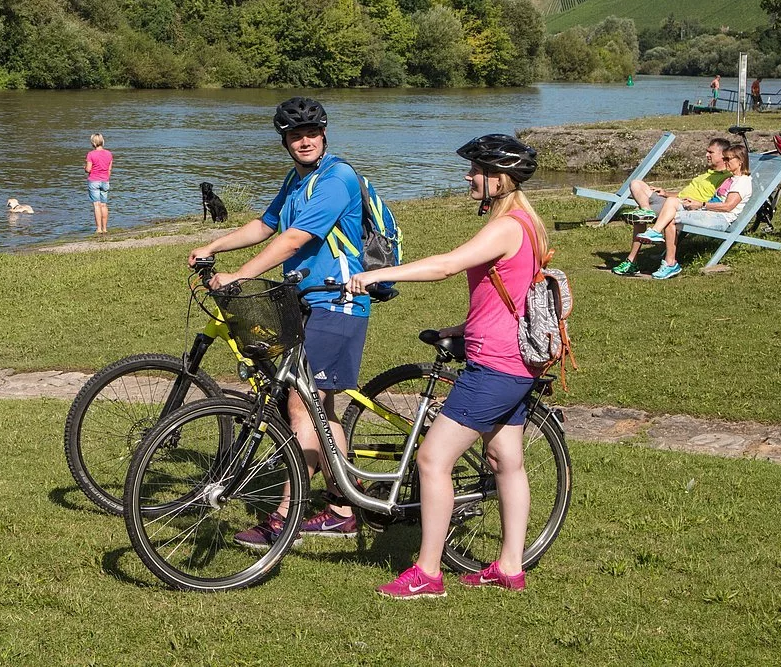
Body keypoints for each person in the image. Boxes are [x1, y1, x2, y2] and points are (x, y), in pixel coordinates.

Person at [346, 134, 545, 597]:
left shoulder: (506, 226)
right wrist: (462, 329)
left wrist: (377, 273)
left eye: (476, 170)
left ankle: (428, 573)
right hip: (517, 362)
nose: (468, 176)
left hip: (495, 367)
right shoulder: (528, 223)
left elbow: (448, 265)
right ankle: (510, 566)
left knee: (432, 460)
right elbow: (509, 297)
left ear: (500, 178)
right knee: (505, 461)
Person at [188, 97, 372, 547]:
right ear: (285, 141)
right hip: (307, 300)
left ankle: (286, 515)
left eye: (311, 133)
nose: (303, 140)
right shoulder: (297, 179)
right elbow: (266, 224)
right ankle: (345, 503)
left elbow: (295, 239)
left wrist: (241, 273)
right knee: (318, 404)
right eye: (294, 135)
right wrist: (216, 246)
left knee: (300, 403)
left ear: (324, 135)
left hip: (339, 300)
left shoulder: (337, 177)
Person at [625, 145, 752, 279]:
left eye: (728, 159)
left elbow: (728, 206)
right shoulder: (731, 179)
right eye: (724, 158)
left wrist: (701, 204)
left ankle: (670, 263)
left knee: (672, 218)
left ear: (740, 161)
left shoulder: (742, 182)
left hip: (721, 218)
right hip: (709, 212)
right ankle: (655, 232)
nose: (725, 161)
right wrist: (693, 203)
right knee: (672, 202)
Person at [85, 133, 112, 233]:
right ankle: (105, 228)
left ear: (93, 143)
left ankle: (99, 228)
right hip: (105, 180)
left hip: (94, 181)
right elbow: (109, 169)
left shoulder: (91, 154)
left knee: (96, 205)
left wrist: (84, 168)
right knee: (104, 205)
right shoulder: (109, 154)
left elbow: (88, 169)